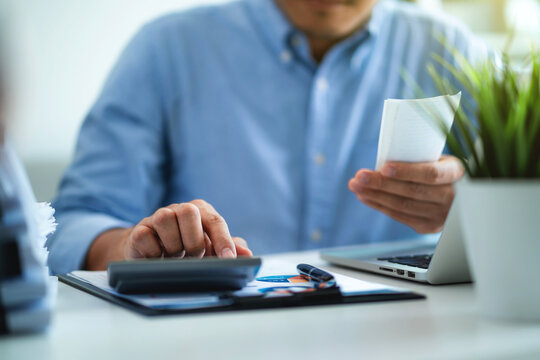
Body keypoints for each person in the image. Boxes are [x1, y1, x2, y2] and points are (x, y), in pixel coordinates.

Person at [46, 0, 484, 274]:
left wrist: (477, 206)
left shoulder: (457, 52)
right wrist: (129, 249)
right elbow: (73, 222)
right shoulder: (166, 49)